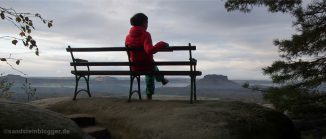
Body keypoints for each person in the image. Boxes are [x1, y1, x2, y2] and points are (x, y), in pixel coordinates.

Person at [125, 13, 169, 100]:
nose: (147, 24)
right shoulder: (146, 35)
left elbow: (129, 53)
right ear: (143, 23)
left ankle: (162, 80)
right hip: (147, 66)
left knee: (152, 65)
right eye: (147, 22)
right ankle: (150, 93)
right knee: (151, 67)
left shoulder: (127, 37)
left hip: (134, 67)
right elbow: (149, 50)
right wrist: (162, 44)